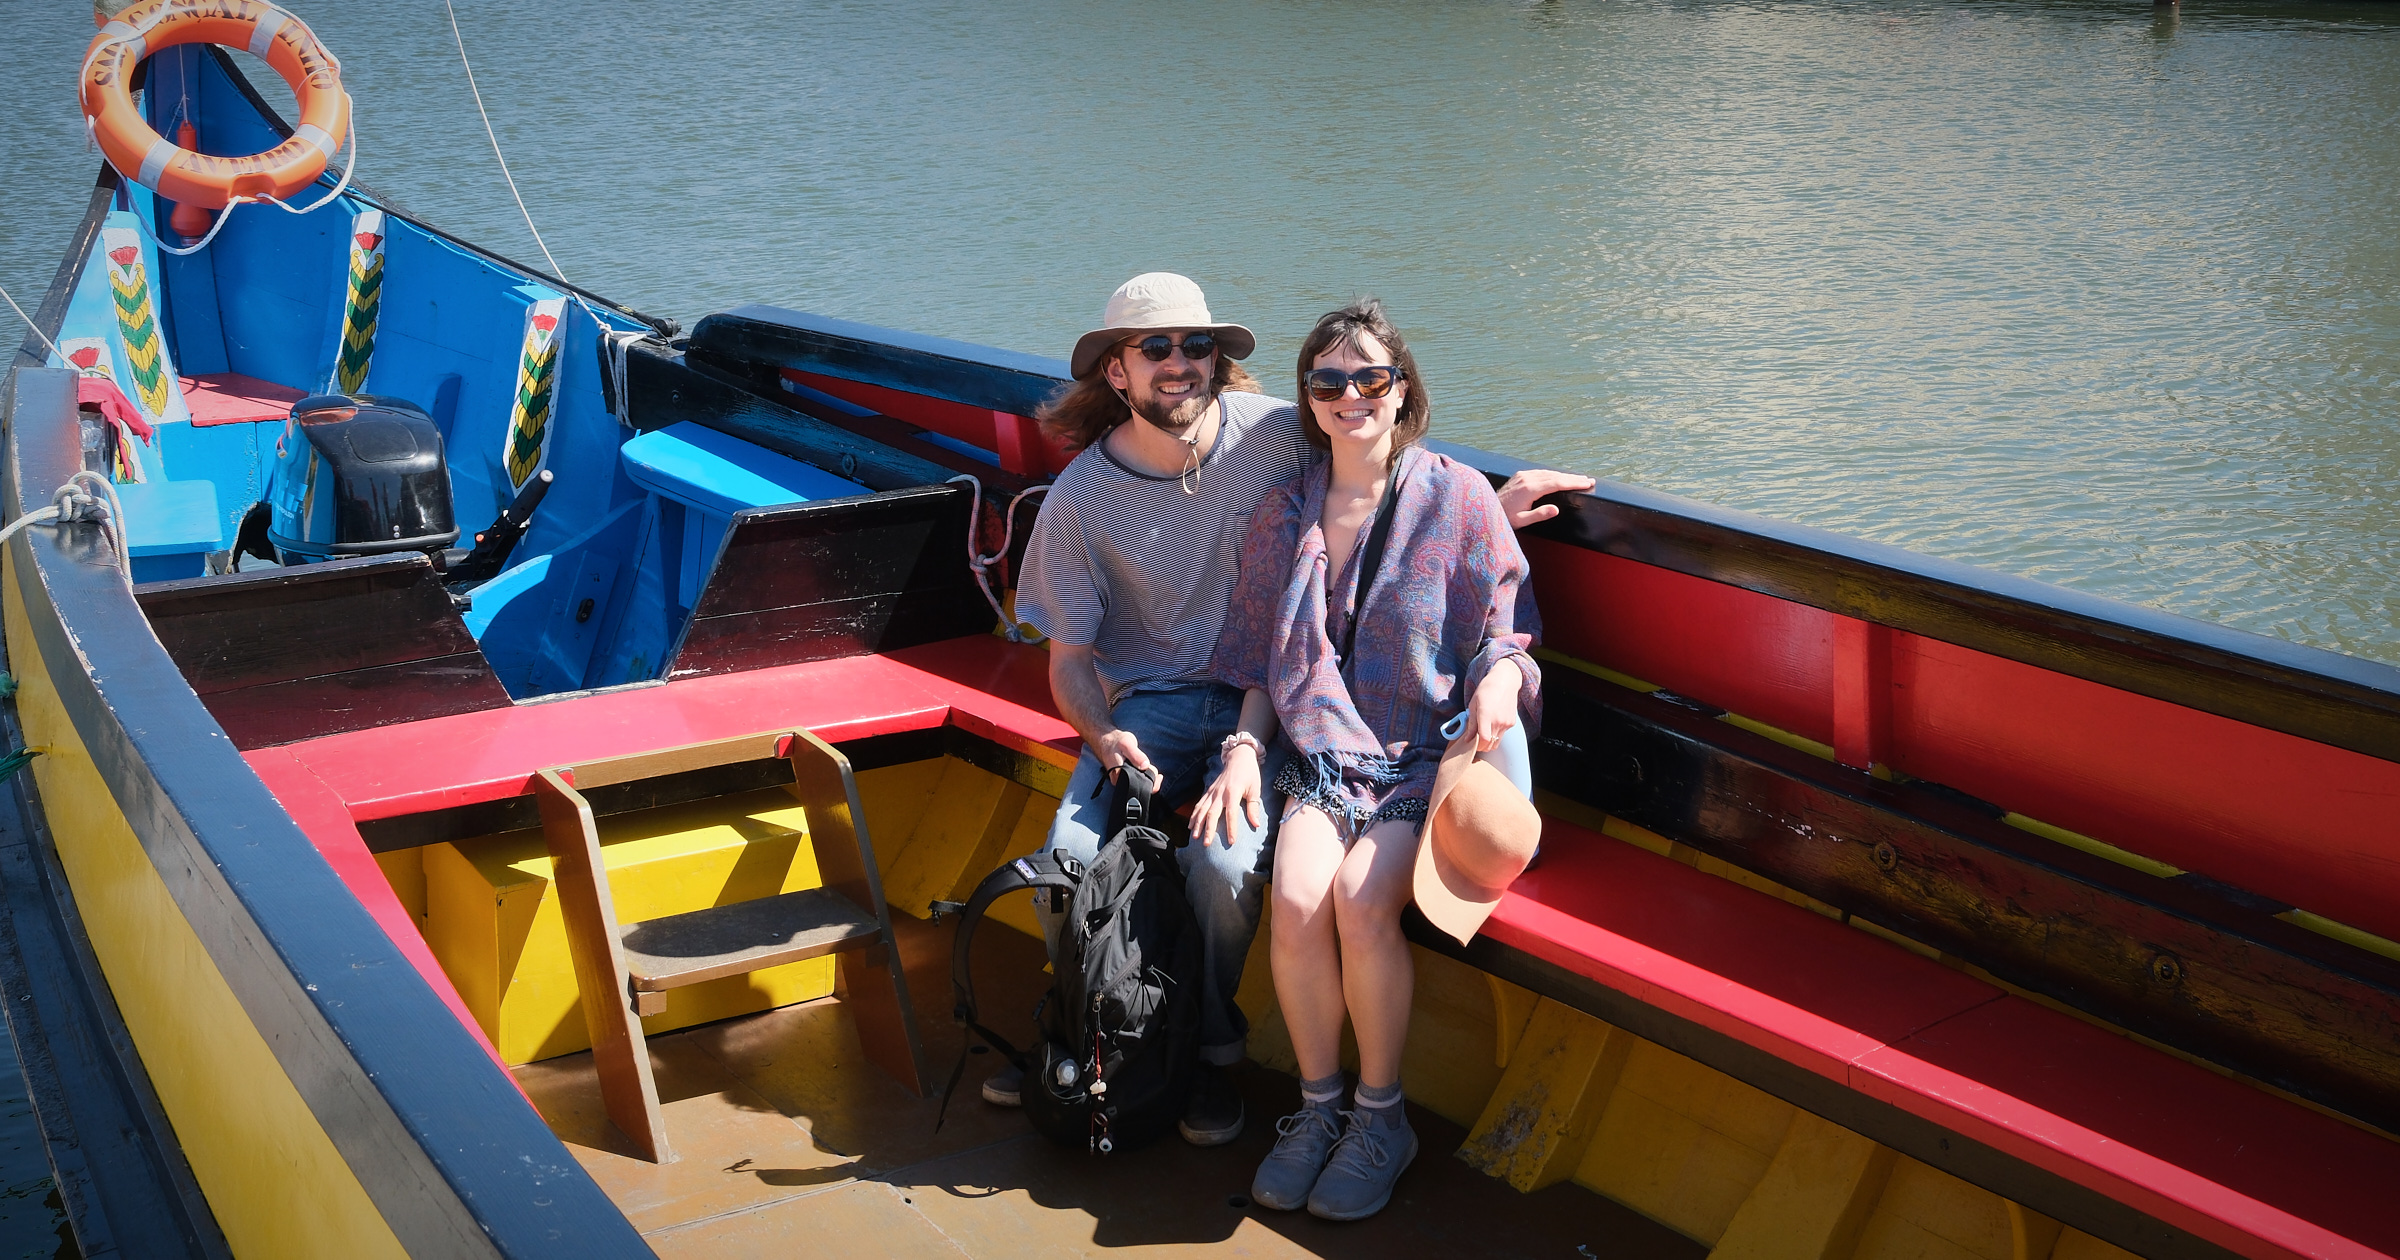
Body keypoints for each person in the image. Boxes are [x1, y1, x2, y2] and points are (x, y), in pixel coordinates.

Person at [1003, 274, 1590, 1149]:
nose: (1179, 364)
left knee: (1228, 866)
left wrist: (1483, 517)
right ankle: (1094, 1033)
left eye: (1196, 346)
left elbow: (1386, 467)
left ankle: (1203, 1054)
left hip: (1271, 700)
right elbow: (1070, 664)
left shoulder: (1273, 435)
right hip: (1156, 707)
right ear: (1115, 374)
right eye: (1155, 349)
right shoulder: (1082, 500)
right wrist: (1103, 735)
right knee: (1070, 856)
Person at [1210, 298, 1540, 1220]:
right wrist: (1244, 748)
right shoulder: (1285, 511)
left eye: (1370, 378)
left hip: (1424, 757)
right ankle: (1319, 1115)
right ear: (1310, 401)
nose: (1350, 395)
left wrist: (1503, 682)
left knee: (1360, 902)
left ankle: (1381, 1117)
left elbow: (1505, 628)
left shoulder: (1458, 497)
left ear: (1402, 391)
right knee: (1297, 899)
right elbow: (1259, 657)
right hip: (1322, 751)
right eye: (1328, 381)